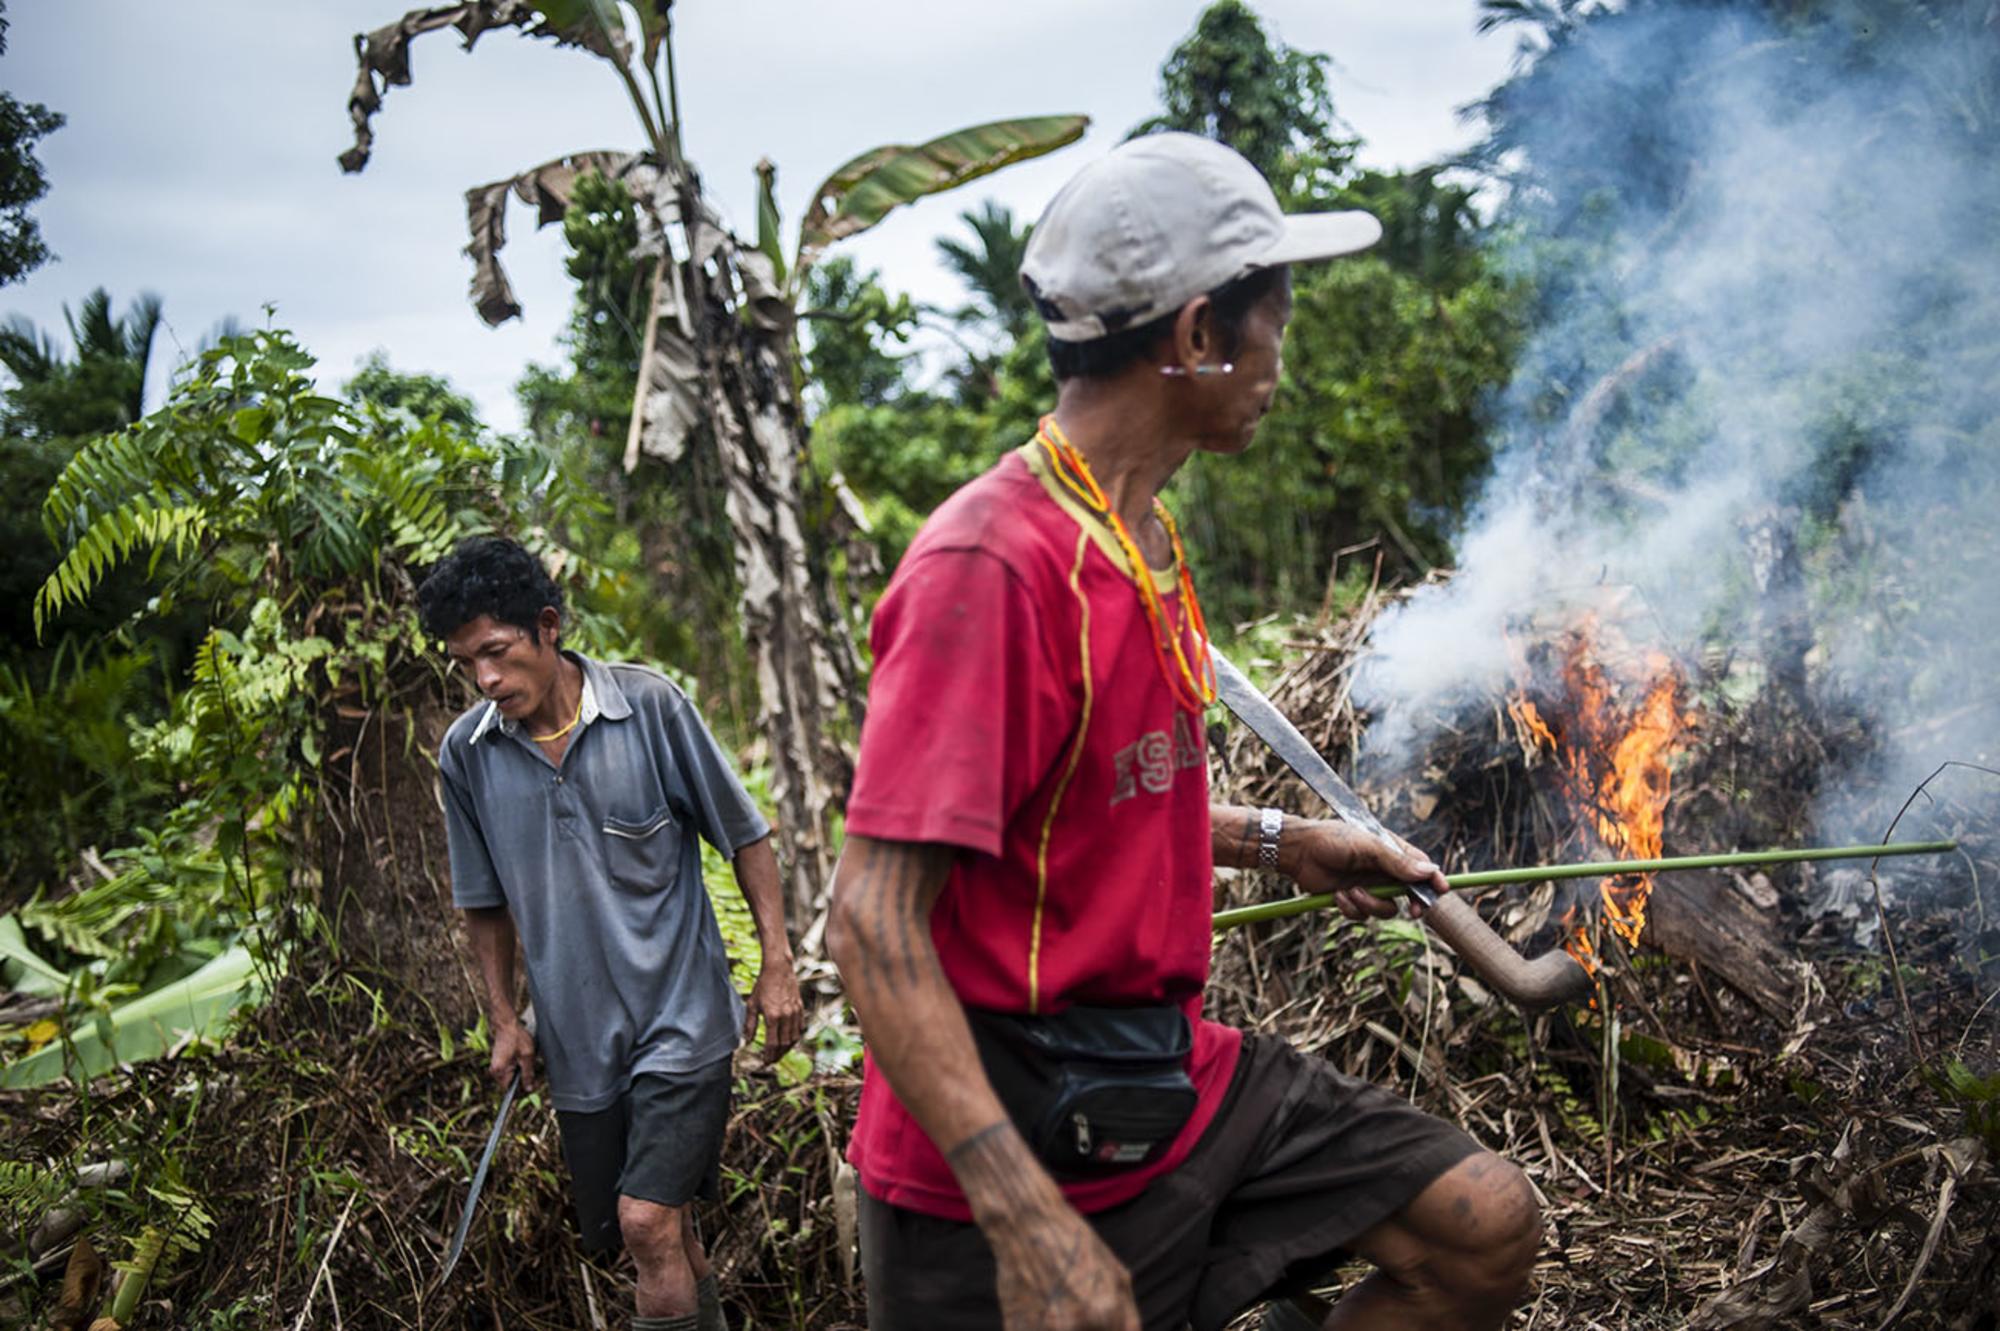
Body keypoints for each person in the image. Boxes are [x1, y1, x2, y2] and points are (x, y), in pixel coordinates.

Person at [825, 133, 1542, 1331]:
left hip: (1158, 1077)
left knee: (1479, 1224)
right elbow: (870, 918)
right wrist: (1026, 1218)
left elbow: (1087, 800)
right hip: (1003, 1142)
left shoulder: (1140, 537)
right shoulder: (990, 567)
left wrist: (1281, 840)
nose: (1279, 359)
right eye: (1274, 325)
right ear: (1199, 333)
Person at [419, 536, 803, 1331]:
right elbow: (482, 900)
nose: (485, 678)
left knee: (645, 1221)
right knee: (670, 1235)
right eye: (466, 663)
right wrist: (503, 1018)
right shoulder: (466, 755)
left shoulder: (651, 707)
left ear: (547, 626)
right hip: (581, 1044)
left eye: (496, 651)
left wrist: (777, 964)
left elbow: (746, 835)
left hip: (684, 1022)